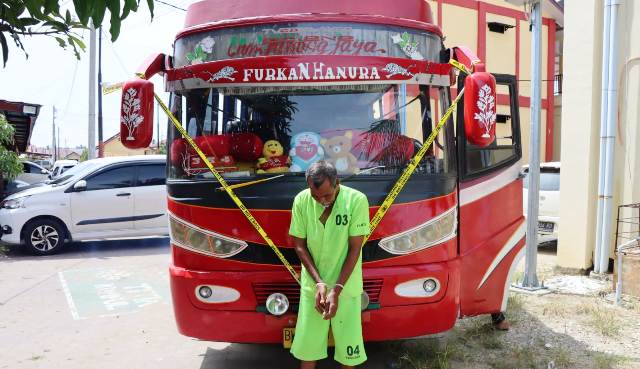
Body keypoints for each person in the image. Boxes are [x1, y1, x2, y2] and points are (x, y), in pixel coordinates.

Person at [289, 160, 370, 369]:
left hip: (347, 288)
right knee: (308, 349)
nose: (321, 201)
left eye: (326, 195)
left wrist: (337, 289)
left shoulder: (357, 200)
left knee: (348, 353)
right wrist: (319, 284)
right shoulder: (301, 200)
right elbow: (299, 245)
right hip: (313, 288)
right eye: (315, 196)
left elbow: (355, 249)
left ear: (338, 183)